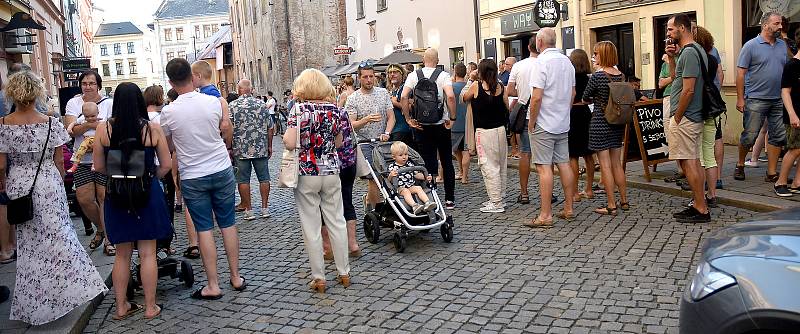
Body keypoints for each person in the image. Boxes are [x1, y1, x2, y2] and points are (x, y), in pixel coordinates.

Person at [0, 70, 107, 325]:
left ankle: (34, 303)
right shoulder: (50, 123)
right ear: (36, 92)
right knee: (59, 238)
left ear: (12, 93)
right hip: (47, 183)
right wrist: (56, 182)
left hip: (19, 186)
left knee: (29, 246)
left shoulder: (3, 124)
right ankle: (66, 292)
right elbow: (60, 161)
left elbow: (2, 165)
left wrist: (6, 183)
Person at [160, 58, 244, 299]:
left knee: (204, 229)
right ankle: (236, 277)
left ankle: (213, 285)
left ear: (171, 82)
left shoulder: (169, 111)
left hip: (193, 174)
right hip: (220, 168)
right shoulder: (214, 102)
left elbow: (168, 145)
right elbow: (224, 130)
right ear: (192, 75)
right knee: (228, 223)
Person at [93, 82, 173, 320]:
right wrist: (148, 176)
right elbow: (166, 165)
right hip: (146, 193)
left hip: (117, 195)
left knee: (122, 254)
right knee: (148, 253)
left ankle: (120, 306)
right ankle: (150, 307)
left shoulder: (103, 130)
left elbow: (98, 166)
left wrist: (120, 175)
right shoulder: (152, 129)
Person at [284, 68, 351, 293]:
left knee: (311, 226)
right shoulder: (335, 109)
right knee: (337, 221)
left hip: (306, 171)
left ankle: (319, 277)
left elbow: (290, 142)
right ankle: (344, 272)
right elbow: (340, 143)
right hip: (331, 171)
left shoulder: (298, 110)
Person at [524, 28, 577, 227]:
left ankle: (546, 214)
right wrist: (564, 112)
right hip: (562, 122)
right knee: (564, 164)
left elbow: (536, 97)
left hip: (544, 122)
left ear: (539, 42)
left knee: (544, 168)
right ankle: (569, 208)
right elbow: (572, 94)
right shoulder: (567, 62)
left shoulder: (541, 63)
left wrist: (531, 121)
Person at [665, 14, 710, 223]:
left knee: (689, 163)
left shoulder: (691, 52)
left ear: (682, 28)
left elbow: (689, 90)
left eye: (671, 29)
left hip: (687, 117)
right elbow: (676, 79)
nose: (668, 33)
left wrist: (678, 116)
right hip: (690, 116)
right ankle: (698, 202)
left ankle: (701, 207)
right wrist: (672, 59)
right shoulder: (689, 51)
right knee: (692, 161)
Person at [65, 70, 115, 256]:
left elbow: (113, 128)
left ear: (98, 85)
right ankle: (101, 229)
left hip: (104, 158)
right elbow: (70, 130)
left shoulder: (109, 103)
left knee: (103, 198)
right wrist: (91, 125)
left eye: (91, 83)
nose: (88, 86)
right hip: (82, 159)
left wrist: (93, 129)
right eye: (84, 83)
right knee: (84, 199)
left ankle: (109, 239)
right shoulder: (73, 103)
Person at [401, 48, 458, 209]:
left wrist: (408, 119)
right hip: (441, 124)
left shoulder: (413, 76)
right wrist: (452, 118)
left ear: (423, 59)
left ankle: (430, 195)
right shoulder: (443, 75)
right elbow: (451, 97)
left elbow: (404, 97)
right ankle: (449, 199)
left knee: (426, 162)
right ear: (437, 60)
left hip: (421, 126)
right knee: (446, 161)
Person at [734, 12, 788, 182]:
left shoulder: (782, 45)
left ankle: (771, 172)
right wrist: (740, 98)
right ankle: (740, 164)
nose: (781, 26)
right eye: (777, 23)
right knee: (750, 136)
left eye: (781, 23)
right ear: (765, 25)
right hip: (755, 98)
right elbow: (741, 74)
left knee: (777, 136)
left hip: (778, 99)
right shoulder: (750, 46)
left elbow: (790, 66)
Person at [583, 41, 630, 216]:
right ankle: (623, 200)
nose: (594, 56)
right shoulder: (621, 75)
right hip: (617, 123)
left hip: (601, 123)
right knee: (617, 164)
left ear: (603, 54)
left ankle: (611, 204)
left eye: (596, 53)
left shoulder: (598, 76)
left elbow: (586, 97)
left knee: (605, 166)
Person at [344, 62, 395, 208]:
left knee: (389, 173)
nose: (369, 80)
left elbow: (391, 117)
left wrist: (387, 132)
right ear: (359, 78)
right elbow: (351, 124)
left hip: (382, 140)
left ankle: (371, 200)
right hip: (364, 142)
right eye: (365, 77)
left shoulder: (383, 93)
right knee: (374, 177)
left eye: (371, 76)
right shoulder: (353, 98)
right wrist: (365, 120)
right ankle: (376, 209)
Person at [463, 58, 510, 213]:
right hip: (500, 131)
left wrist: (470, 78)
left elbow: (464, 97)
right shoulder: (501, 86)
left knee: (488, 166)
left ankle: (496, 202)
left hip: (484, 132)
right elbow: (506, 106)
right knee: (501, 164)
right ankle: (499, 197)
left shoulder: (477, 86)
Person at [322, 89, 361, 259]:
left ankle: (328, 248)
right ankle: (352, 244)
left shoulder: (319, 113)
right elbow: (351, 137)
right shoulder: (343, 112)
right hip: (348, 163)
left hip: (328, 166)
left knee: (324, 205)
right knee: (347, 201)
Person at [229, 79, 274, 219]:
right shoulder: (262, 104)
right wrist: (270, 145)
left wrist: (229, 146)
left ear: (239, 89)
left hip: (240, 148)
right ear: (251, 89)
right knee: (264, 178)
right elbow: (270, 127)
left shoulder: (233, 105)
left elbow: (228, 129)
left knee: (243, 180)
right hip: (260, 147)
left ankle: (248, 210)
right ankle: (265, 208)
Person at [692, 26, 722, 207]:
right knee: (709, 155)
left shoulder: (695, 58)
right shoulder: (711, 59)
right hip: (713, 108)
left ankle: (700, 196)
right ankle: (712, 195)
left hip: (699, 109)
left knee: (700, 157)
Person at [507, 38, 539, 204]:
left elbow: (510, 90)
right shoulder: (545, 63)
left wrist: (522, 93)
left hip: (526, 113)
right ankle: (548, 192)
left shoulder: (519, 66)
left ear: (528, 47)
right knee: (546, 157)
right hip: (544, 114)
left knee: (525, 153)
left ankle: (525, 193)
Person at [568, 49, 596, 201]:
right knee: (588, 154)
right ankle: (589, 189)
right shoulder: (588, 78)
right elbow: (591, 98)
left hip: (572, 113)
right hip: (585, 113)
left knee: (573, 155)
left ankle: (575, 192)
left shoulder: (569, 77)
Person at [775, 29, 800, 197]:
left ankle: (797, 182)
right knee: (795, 149)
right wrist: (792, 114)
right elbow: (785, 92)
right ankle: (780, 181)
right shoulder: (792, 65)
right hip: (795, 113)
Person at [387, 141, 436, 213]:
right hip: (400, 188)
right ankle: (414, 205)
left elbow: (416, 175)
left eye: (406, 154)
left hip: (410, 185)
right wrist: (391, 175)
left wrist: (426, 177)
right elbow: (389, 181)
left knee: (418, 188)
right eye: (400, 155)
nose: (404, 157)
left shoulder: (409, 164)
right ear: (394, 157)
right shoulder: (392, 167)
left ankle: (427, 202)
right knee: (406, 191)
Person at [450, 63, 471, 184]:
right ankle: (464, 175)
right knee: (464, 150)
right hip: (467, 123)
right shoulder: (470, 86)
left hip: (454, 123)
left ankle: (462, 173)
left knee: (457, 150)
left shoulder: (450, 87)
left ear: (455, 73)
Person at [66, 102, 99, 173]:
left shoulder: (100, 120)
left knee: (97, 151)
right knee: (80, 150)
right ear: (83, 115)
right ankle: (75, 165)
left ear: (98, 113)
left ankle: (94, 164)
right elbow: (74, 123)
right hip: (86, 140)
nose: (90, 119)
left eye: (93, 116)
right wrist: (69, 128)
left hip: (96, 140)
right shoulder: (82, 119)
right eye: (87, 117)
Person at [387, 64, 414, 147]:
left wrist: (395, 103)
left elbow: (412, 108)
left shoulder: (406, 89)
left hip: (404, 129)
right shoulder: (392, 90)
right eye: (390, 72)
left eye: (395, 72)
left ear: (402, 74)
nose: (392, 75)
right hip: (393, 129)